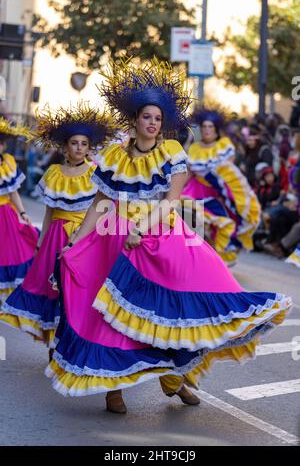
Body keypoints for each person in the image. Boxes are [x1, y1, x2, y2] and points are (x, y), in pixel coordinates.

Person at [46, 59, 291, 414]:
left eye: (158, 119)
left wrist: (141, 230)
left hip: (161, 235)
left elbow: (171, 202)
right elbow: (101, 203)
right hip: (115, 238)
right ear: (135, 121)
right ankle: (113, 389)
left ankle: (174, 378)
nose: (152, 123)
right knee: (112, 320)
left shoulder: (172, 154)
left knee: (177, 306)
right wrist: (76, 241)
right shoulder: (114, 157)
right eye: (147, 117)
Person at [0, 104, 115, 352]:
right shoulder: (53, 172)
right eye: (74, 143)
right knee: (49, 285)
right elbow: (50, 209)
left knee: (79, 286)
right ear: (65, 146)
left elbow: (103, 206)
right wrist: (42, 240)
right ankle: (54, 339)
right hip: (55, 234)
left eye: (84, 144)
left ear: (89, 147)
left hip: (83, 235)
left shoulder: (95, 172)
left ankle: (75, 335)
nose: (79, 148)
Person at [182, 108, 261, 266]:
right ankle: (193, 259)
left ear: (216, 129)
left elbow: (228, 173)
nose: (206, 130)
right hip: (196, 191)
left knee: (224, 222)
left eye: (210, 126)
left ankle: (216, 259)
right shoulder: (194, 148)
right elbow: (188, 173)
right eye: (204, 126)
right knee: (193, 222)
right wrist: (175, 190)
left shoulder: (224, 145)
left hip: (219, 192)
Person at [0, 117, 39, 307]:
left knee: (8, 253)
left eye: (0, 143)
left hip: (5, 215)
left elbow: (12, 191)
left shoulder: (7, 162)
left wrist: (23, 213)